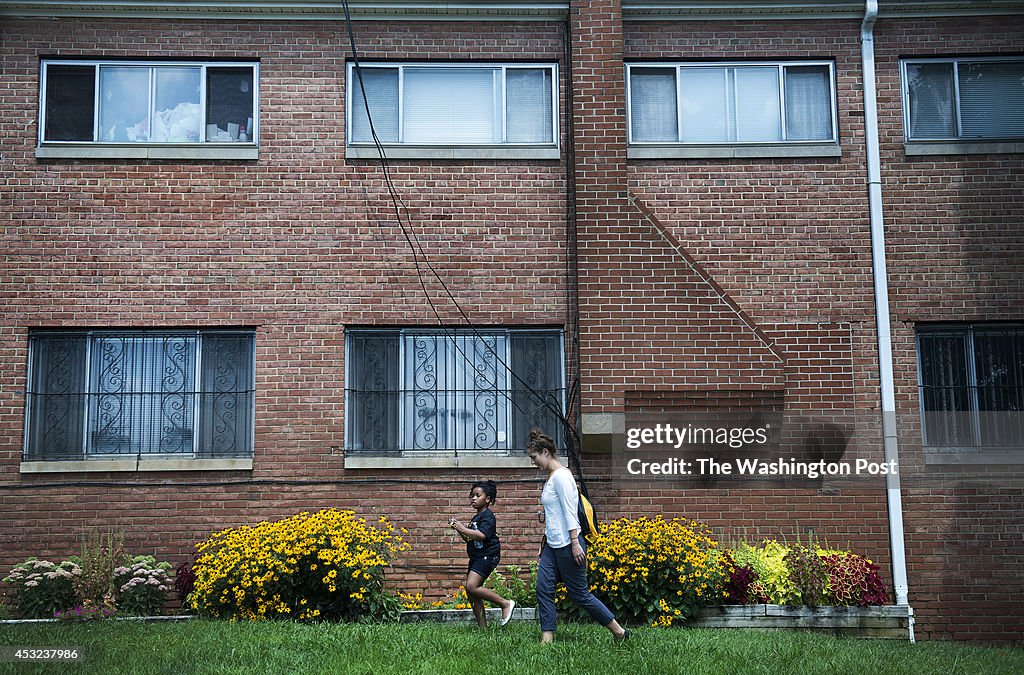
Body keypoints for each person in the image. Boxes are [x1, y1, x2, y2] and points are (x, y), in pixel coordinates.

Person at [527, 428, 629, 643]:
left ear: (545, 452)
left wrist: (575, 543)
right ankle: (547, 637)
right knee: (543, 588)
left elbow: (569, 512)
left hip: (568, 543)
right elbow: (555, 515)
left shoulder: (562, 477)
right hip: (552, 546)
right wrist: (545, 541)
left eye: (534, 457)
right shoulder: (552, 477)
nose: (533, 462)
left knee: (579, 594)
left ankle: (619, 632)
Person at [449, 479, 515, 628]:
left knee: (472, 586)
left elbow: (482, 535)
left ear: (488, 499)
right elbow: (469, 538)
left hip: (488, 554)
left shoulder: (488, 516)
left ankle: (505, 604)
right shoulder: (475, 518)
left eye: (477, 495)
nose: (473, 498)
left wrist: (463, 528)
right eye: (472, 495)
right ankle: (483, 629)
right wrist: (459, 529)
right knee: (471, 592)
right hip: (477, 556)